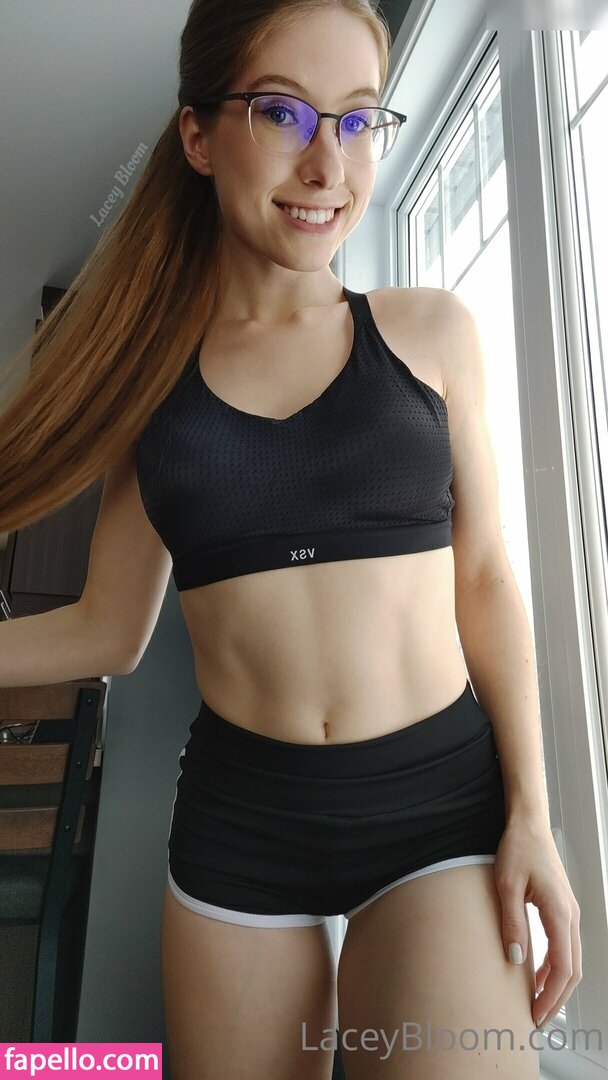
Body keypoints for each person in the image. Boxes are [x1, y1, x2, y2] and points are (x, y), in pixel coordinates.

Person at [0, 1, 582, 1078]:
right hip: (241, 829)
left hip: (438, 814)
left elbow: (487, 577)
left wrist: (533, 817)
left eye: (357, 121)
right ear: (197, 134)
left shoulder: (430, 333)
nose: (328, 164)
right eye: (283, 113)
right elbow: (108, 630)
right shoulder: (148, 381)